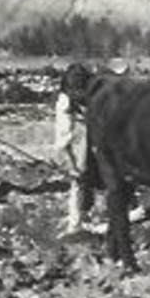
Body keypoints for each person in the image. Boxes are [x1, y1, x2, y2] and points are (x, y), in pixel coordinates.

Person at [53, 62, 98, 234]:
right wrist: (71, 164)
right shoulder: (64, 102)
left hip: (94, 144)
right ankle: (75, 224)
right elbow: (63, 138)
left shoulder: (94, 97)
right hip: (78, 148)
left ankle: (90, 217)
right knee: (78, 183)